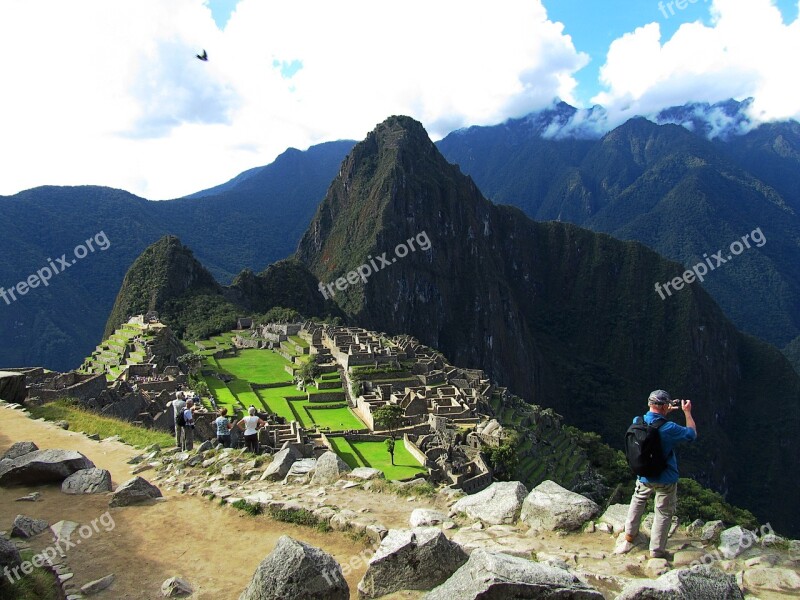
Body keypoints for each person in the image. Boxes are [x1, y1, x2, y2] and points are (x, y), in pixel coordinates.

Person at [615, 390, 697, 560]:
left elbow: (652, 422)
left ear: (649, 404)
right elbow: (691, 434)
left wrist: (664, 411)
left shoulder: (637, 422)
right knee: (663, 512)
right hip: (665, 478)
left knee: (638, 500)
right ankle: (657, 551)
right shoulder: (670, 428)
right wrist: (687, 412)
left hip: (643, 475)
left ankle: (630, 535)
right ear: (665, 406)